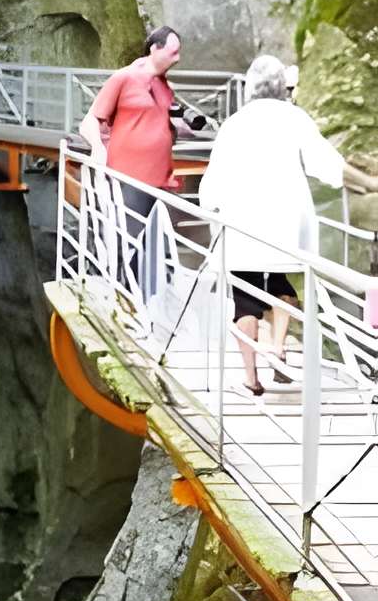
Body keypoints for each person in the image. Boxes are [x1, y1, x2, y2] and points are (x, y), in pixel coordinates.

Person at [198, 54, 378, 395]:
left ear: (250, 87)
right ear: (282, 87)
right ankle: (279, 349)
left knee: (245, 298)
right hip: (285, 223)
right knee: (282, 284)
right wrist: (368, 183)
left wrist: (209, 208)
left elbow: (214, 178)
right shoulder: (295, 118)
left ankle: (251, 378)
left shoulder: (234, 124)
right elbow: (327, 164)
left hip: (242, 223)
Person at [78, 25, 184, 292]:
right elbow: (89, 121)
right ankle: (118, 295)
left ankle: (147, 300)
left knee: (152, 246)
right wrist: (98, 148)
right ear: (155, 49)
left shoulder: (165, 86)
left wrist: (178, 128)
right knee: (126, 242)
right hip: (129, 178)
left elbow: (160, 125)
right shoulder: (124, 78)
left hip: (158, 181)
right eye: (173, 52)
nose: (178, 58)